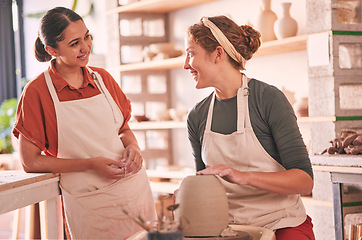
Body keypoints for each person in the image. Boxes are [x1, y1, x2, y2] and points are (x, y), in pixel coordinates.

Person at [13, 7, 156, 239]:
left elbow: (124, 130)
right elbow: (30, 162)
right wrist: (90, 164)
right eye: (74, 43)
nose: (86, 47)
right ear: (51, 49)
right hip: (90, 202)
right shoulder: (37, 92)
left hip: (134, 191)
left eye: (87, 36)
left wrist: (134, 148)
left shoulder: (104, 79)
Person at [183, 16, 315, 240]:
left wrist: (242, 176)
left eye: (191, 53)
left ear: (218, 53)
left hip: (282, 223)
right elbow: (203, 182)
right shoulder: (197, 116)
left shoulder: (268, 100)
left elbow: (304, 181)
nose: (186, 64)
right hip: (228, 229)